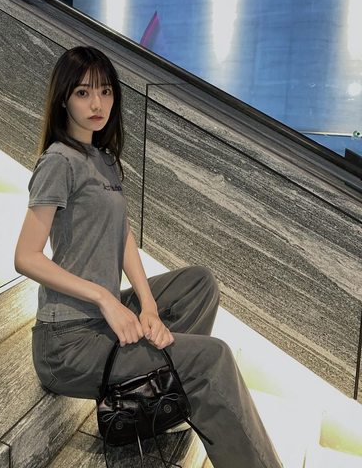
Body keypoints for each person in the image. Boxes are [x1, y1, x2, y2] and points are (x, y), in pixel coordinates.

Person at [14, 45, 283, 468]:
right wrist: (106, 299)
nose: (97, 103)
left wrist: (149, 306)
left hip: (101, 321)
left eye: (105, 91)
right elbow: (26, 257)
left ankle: (159, 395)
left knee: (199, 283)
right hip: (66, 344)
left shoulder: (104, 160)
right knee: (213, 358)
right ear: (63, 99)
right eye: (83, 93)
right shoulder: (58, 161)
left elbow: (122, 237)